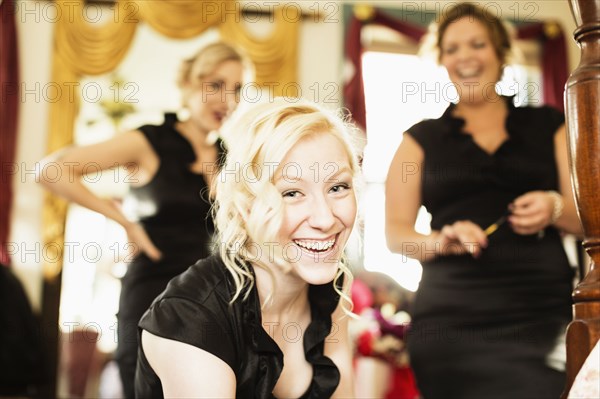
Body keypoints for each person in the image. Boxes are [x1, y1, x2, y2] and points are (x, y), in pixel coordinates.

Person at [385, 3, 583, 398]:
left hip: (540, 314)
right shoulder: (418, 141)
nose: (466, 57)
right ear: (440, 59)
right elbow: (396, 235)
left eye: (478, 44)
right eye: (453, 48)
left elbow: (588, 219)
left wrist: (554, 207)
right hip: (450, 319)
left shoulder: (550, 125)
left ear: (500, 53)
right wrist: (440, 240)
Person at [38, 41, 249, 398]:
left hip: (210, 305)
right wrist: (124, 222)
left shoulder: (229, 156)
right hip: (151, 298)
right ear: (186, 85)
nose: (226, 100)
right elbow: (52, 170)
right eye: (214, 85)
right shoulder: (148, 141)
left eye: (237, 89)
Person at [135, 98, 360, 398]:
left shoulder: (332, 285)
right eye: (291, 193)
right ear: (245, 208)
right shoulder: (193, 320)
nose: (324, 218)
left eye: (337, 187)